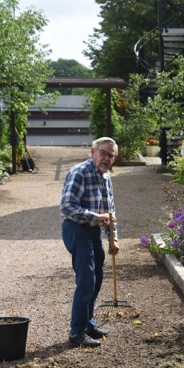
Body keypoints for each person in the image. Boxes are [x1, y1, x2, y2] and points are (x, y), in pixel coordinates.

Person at [60, 137, 120, 347]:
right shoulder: (79, 173)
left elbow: (110, 212)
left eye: (111, 155)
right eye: (103, 153)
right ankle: (76, 333)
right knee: (86, 280)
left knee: (97, 279)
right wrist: (96, 217)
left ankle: (87, 323)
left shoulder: (106, 177)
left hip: (93, 232)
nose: (107, 158)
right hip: (76, 229)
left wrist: (113, 239)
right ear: (92, 152)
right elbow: (67, 207)